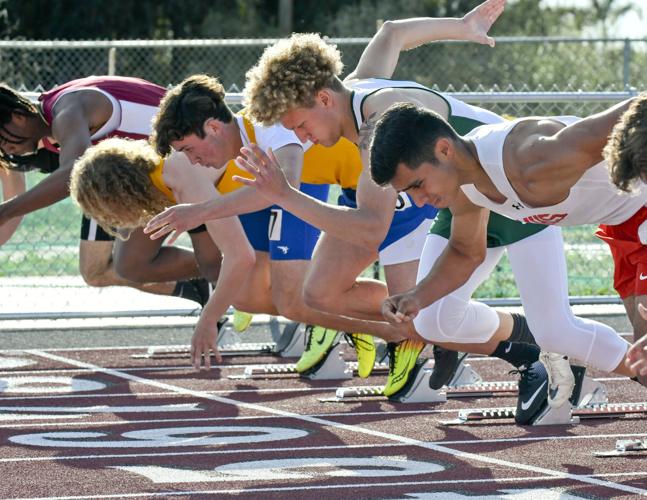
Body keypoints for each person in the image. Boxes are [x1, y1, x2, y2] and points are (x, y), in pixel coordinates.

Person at [144, 2, 508, 399]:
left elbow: (348, 214)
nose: (301, 136)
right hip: (410, 194)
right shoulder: (354, 89)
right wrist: (461, 25)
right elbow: (391, 33)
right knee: (323, 296)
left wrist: (259, 199)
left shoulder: (339, 127)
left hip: (469, 182)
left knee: (430, 318)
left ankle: (516, 348)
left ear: (322, 100)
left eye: (301, 126)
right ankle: (449, 342)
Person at [145, 73, 423, 377]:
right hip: (335, 192)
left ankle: (425, 331)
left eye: (188, 149)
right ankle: (389, 330)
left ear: (213, 127)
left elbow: (288, 182)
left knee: (301, 297)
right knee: (282, 296)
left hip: (382, 189)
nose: (193, 161)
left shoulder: (266, 123)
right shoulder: (241, 150)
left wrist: (200, 212)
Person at [367, 97, 646, 389]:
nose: (419, 200)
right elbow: (465, 253)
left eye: (417, 185)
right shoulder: (465, 187)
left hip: (641, 211)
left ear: (444, 150)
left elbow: (635, 108)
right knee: (641, 364)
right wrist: (417, 297)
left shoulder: (532, 159)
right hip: (625, 227)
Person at [0, 77, 215, 306]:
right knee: (129, 266)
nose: (4, 149)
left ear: (18, 117)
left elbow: (72, 173)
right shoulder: (55, 120)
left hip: (199, 157)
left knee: (111, 266)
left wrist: (5, 211)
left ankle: (230, 271)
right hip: (160, 172)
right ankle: (223, 274)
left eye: (1, 139)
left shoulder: (67, 111)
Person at [70, 138, 253, 369]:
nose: (112, 222)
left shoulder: (181, 177)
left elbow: (239, 255)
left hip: (250, 187)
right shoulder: (153, 182)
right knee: (128, 265)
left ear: (121, 193)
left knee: (221, 271)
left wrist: (209, 318)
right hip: (200, 193)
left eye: (109, 212)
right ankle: (236, 291)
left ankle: (299, 311)